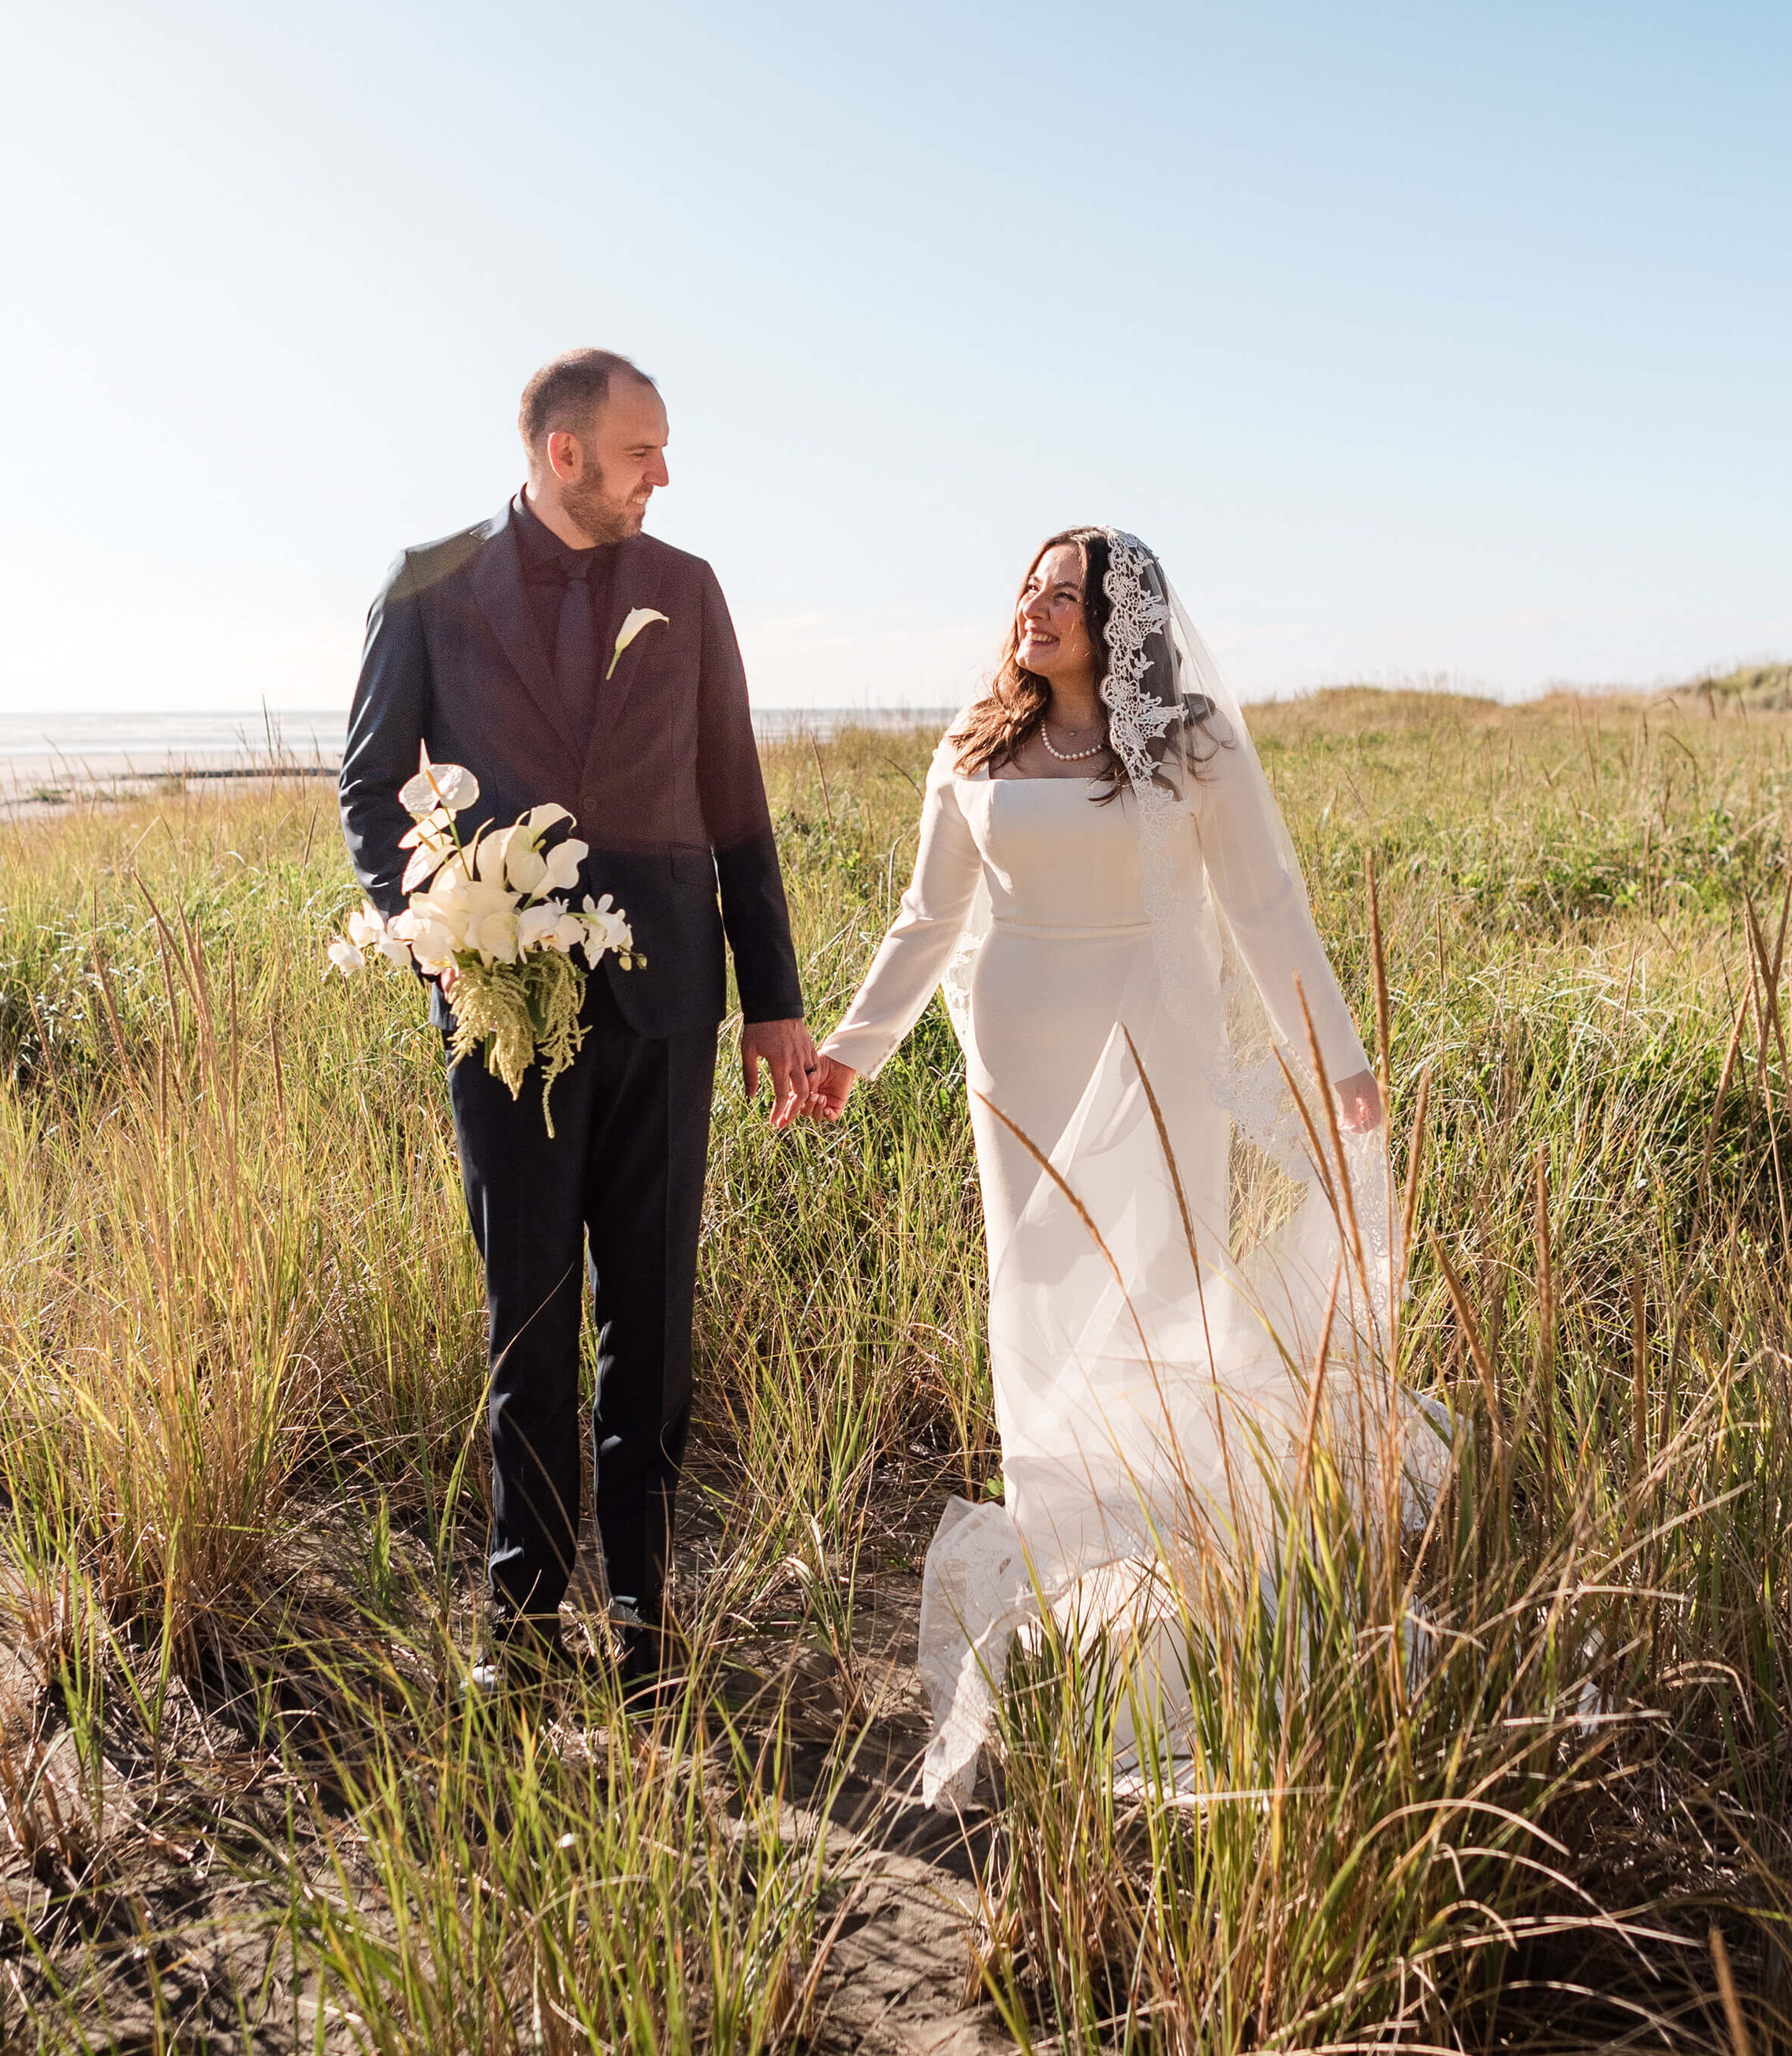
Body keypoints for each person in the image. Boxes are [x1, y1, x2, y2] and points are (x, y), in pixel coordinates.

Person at [806, 527, 1440, 1804]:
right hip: (1014, 1090)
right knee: (1037, 1307)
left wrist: (1338, 1058)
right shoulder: (972, 744)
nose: (1037, 606)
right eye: (1030, 586)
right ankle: (1069, 1594)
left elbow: (1265, 909)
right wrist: (851, 1052)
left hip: (1153, 1059)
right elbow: (928, 920)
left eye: (1068, 592)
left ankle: (1174, 1609)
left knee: (1151, 1306)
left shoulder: (1189, 742)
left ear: (1120, 618)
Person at [340, 347, 815, 1700]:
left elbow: (735, 801)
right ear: (564, 453)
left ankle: (649, 1620)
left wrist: (774, 1000)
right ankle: (525, 1621)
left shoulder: (690, 590)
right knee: (529, 1319)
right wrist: (440, 936)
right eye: (641, 450)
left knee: (653, 1326)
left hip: (669, 1004)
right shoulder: (428, 585)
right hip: (503, 1017)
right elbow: (372, 789)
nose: (663, 474)